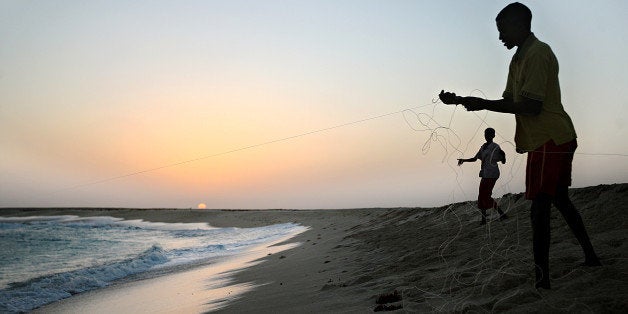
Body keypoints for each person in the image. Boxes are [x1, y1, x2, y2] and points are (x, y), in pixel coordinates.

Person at [438, 2, 601, 289]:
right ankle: (591, 256)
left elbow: (531, 106)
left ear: (519, 25)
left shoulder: (538, 53)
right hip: (552, 139)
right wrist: (465, 100)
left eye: (503, 30)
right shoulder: (517, 60)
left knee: (539, 209)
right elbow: (509, 102)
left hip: (550, 139)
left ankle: (542, 281)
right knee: (560, 199)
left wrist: (480, 103)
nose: (500, 37)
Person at [458, 128, 508, 225]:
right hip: (485, 174)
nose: (487, 136)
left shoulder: (495, 147)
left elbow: (503, 161)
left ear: (493, 135)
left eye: (489, 134)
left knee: (485, 195)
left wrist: (504, 155)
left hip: (492, 174)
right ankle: (490, 217)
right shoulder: (483, 147)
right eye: (485, 134)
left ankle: (491, 217)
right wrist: (463, 160)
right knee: (482, 195)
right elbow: (475, 158)